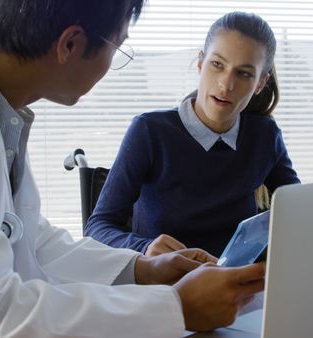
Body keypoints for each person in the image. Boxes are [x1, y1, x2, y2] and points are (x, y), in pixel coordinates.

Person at [0, 1, 266, 337]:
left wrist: (142, 270)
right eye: (117, 46)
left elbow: (33, 240)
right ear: (70, 44)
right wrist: (175, 308)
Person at [85, 12, 301, 257]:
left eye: (244, 74)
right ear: (201, 63)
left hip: (233, 285)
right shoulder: (150, 131)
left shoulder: (264, 136)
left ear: (261, 82)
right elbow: (96, 228)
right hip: (165, 286)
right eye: (217, 65)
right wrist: (144, 248)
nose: (226, 84)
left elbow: (299, 215)